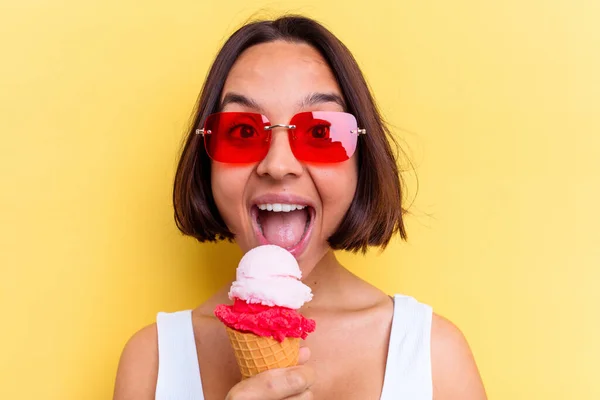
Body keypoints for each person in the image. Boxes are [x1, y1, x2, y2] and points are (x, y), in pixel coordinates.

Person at [113, 15, 487, 400]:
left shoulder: (433, 357)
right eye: (242, 131)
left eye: (320, 132)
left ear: (362, 159)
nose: (278, 164)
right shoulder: (153, 363)